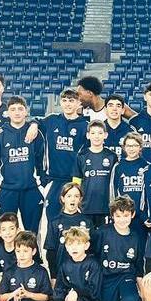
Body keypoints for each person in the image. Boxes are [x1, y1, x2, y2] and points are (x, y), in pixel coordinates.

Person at [0, 96, 45, 234]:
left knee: (32, 233)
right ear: (7, 113)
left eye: (20, 109)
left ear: (26, 111)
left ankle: (33, 250)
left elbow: (43, 163)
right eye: (13, 109)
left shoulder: (35, 134)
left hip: (31, 191)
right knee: (5, 232)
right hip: (6, 191)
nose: (17, 112)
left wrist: (41, 186)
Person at [38, 88, 89, 221]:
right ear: (60, 102)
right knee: (52, 219)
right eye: (64, 100)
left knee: (74, 218)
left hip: (75, 180)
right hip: (54, 180)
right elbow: (35, 122)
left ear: (79, 103)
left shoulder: (85, 126)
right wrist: (33, 125)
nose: (67, 104)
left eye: (71, 101)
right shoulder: (51, 120)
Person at [98, 196, 149, 301]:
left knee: (131, 299)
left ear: (132, 215)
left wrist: (142, 290)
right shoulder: (102, 232)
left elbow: (138, 265)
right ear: (112, 216)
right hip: (107, 278)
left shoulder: (136, 237)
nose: (122, 220)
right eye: (118, 216)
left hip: (126, 276)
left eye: (126, 215)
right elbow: (94, 255)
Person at [0, 230, 52, 301]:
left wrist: (28, 294)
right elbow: (1, 297)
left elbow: (46, 297)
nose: (21, 255)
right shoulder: (9, 270)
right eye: (18, 251)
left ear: (33, 251)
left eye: (25, 251)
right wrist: (13, 294)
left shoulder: (41, 271)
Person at [50, 226, 102, 301]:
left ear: (86, 245)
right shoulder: (65, 265)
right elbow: (59, 289)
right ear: (66, 247)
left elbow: (94, 290)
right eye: (70, 244)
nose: (74, 247)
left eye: (78, 244)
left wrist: (76, 292)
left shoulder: (93, 264)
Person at [72, 121, 117, 229]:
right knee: (87, 236)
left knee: (104, 237)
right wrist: (76, 201)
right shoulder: (81, 156)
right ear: (88, 135)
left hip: (106, 207)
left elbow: (116, 182)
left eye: (100, 133)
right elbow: (76, 182)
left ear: (105, 135)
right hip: (86, 207)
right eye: (93, 133)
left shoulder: (112, 156)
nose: (96, 136)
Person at [44, 183, 92, 277]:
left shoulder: (87, 221)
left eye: (76, 196)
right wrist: (53, 276)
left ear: (80, 199)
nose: (73, 199)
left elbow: (92, 249)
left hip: (82, 272)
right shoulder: (54, 222)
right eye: (69, 196)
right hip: (61, 273)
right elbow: (51, 252)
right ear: (63, 198)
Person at [109, 133, 148, 214]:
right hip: (123, 213)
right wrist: (115, 211)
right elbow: (113, 191)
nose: (131, 149)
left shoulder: (147, 166)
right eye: (128, 146)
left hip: (142, 214)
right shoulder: (118, 166)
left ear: (140, 147)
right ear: (124, 147)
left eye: (135, 145)